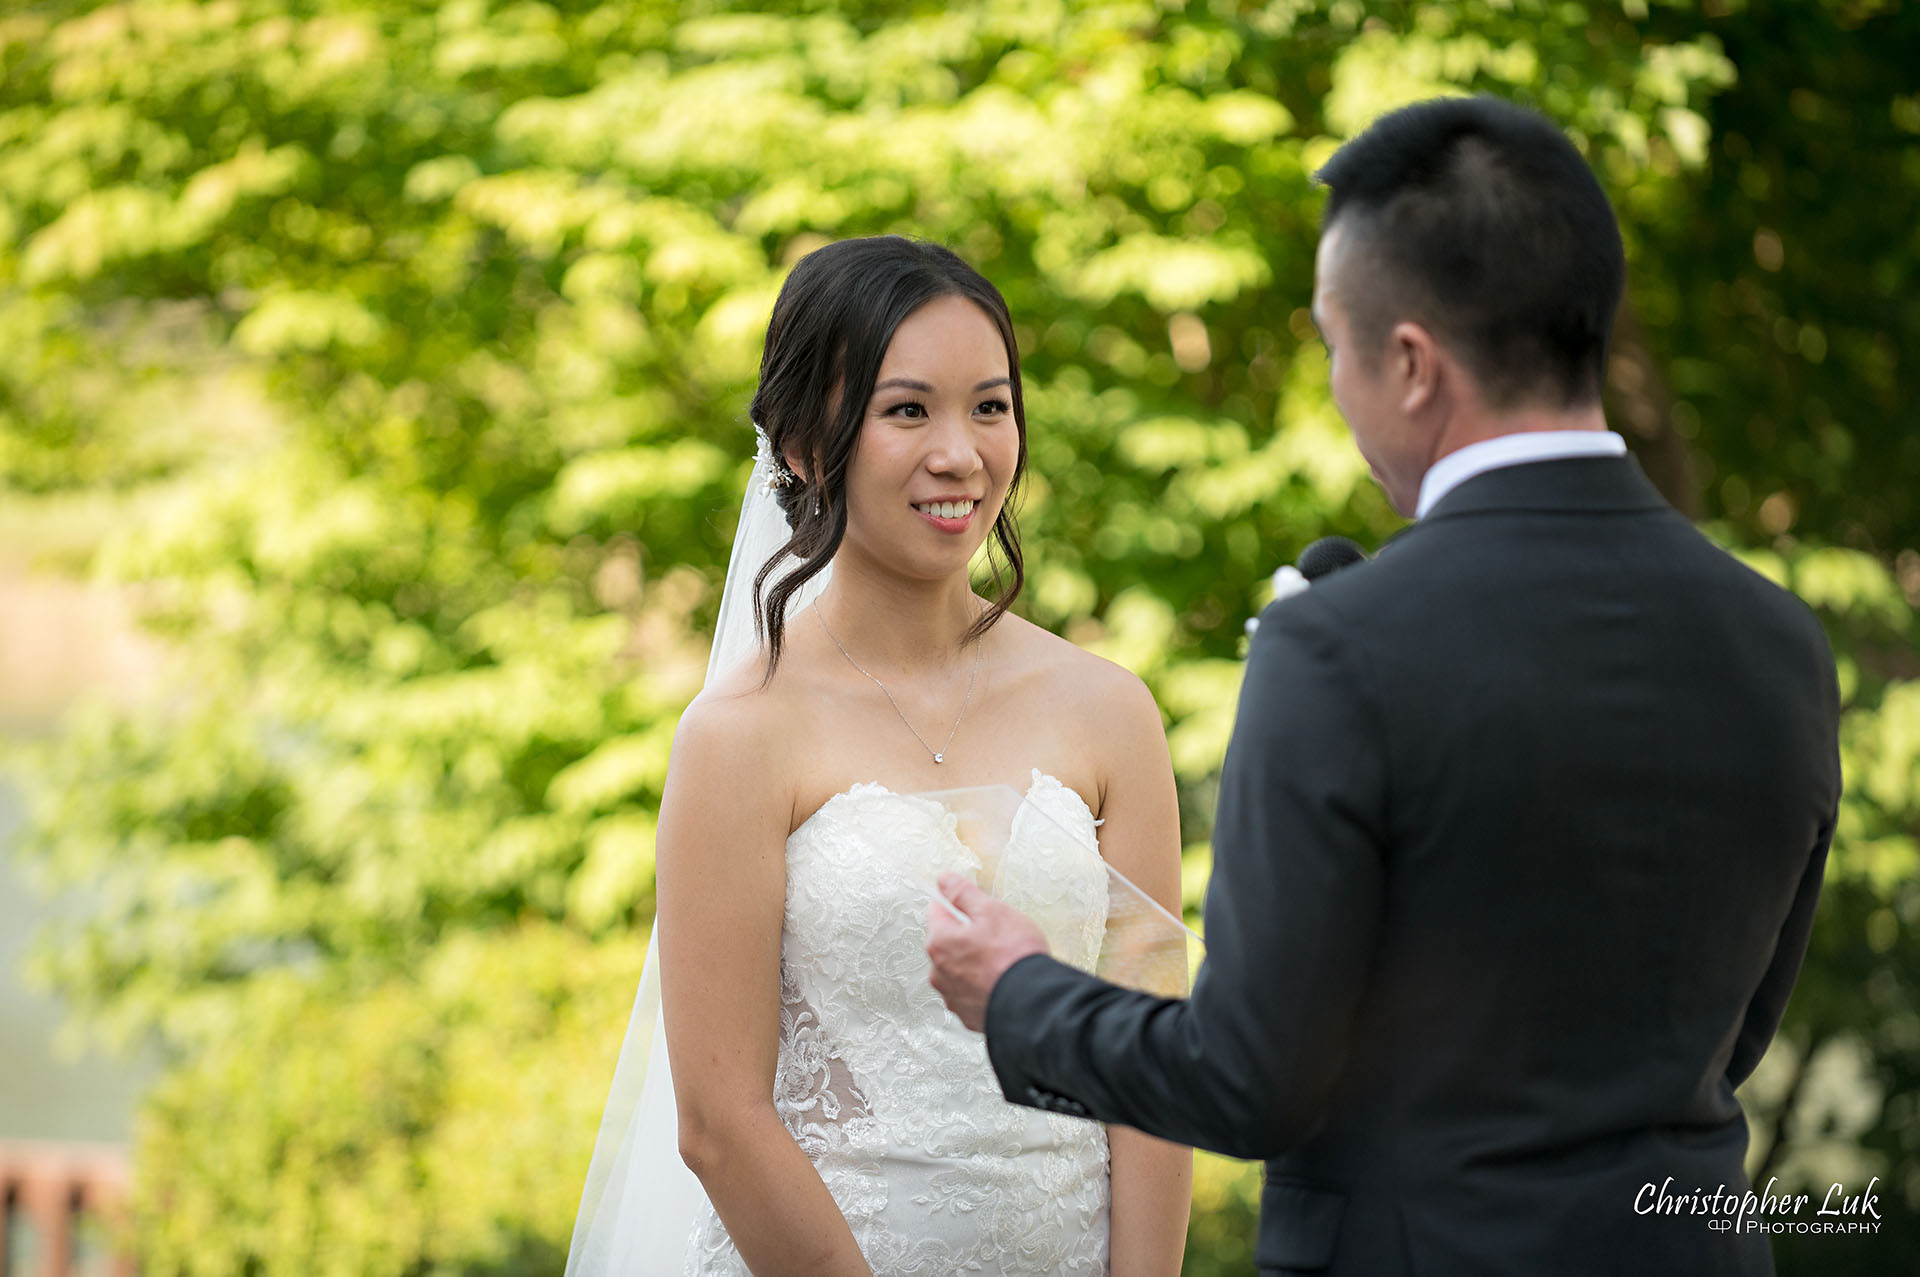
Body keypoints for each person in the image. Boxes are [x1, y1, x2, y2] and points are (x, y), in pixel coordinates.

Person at [927, 96, 1842, 1277]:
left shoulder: (1339, 647)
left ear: (1409, 363)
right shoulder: (1780, 640)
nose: (1339, 390)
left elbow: (1249, 1081)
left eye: (1332, 347)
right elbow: (1735, 1034)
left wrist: (1019, 992)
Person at [566, 235, 1191, 1276]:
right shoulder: (740, 735)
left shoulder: (1108, 709)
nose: (962, 453)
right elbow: (720, 1120)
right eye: (910, 410)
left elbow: (1152, 1065)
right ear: (809, 444)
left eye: (990, 407)